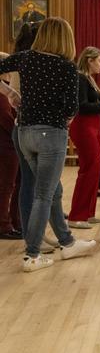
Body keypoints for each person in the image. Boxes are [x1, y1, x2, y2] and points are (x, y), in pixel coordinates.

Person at [0, 17, 97, 272]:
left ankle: (67, 242)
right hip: (51, 134)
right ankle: (32, 255)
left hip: (24, 133)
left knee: (51, 191)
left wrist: (11, 93)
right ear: (66, 39)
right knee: (44, 194)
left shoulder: (25, 58)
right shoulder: (66, 67)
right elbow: (71, 108)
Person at [67, 47, 100, 228]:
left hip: (93, 126)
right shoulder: (80, 77)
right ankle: (77, 215)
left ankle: (88, 212)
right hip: (84, 127)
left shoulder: (89, 79)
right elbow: (82, 107)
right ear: (89, 60)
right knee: (88, 169)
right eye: (99, 61)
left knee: (95, 168)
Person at [0, 55, 21, 240]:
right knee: (6, 186)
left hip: (11, 143)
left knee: (13, 184)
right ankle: (4, 225)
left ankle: (15, 220)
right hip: (6, 144)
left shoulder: (7, 89)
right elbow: (6, 118)